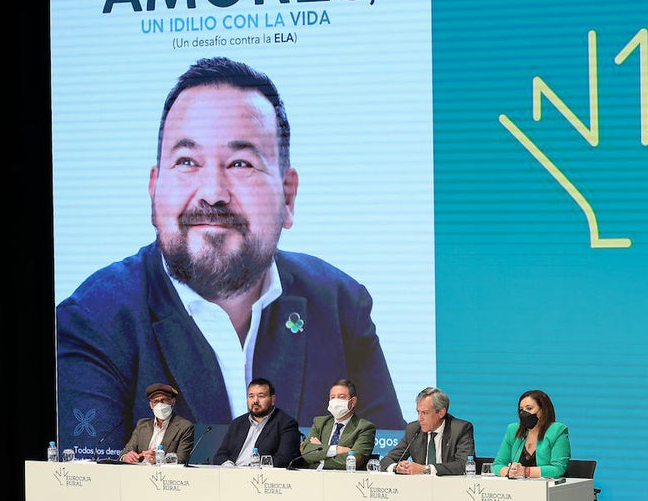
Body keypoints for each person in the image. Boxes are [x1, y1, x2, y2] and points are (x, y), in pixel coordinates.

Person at [56, 56, 405, 454]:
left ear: (288, 197)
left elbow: (384, 458)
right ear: (154, 192)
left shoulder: (340, 303)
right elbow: (93, 486)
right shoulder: (92, 321)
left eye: (241, 163)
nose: (212, 192)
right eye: (187, 161)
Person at [381, 387, 475, 475]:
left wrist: (425, 469)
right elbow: (387, 460)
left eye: (425, 413)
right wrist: (397, 467)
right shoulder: (413, 429)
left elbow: (464, 465)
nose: (419, 419)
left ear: (441, 412)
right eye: (418, 412)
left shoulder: (460, 429)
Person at [212, 377, 300, 467]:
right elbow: (221, 454)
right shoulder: (237, 423)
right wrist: (228, 465)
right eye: (251, 396)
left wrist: (253, 467)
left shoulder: (286, 423)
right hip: (232, 473)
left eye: (261, 396)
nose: (255, 401)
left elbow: (285, 458)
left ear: (272, 400)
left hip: (261, 477)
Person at [298, 379, 377, 470]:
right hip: (315, 477)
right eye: (332, 397)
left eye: (341, 397)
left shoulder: (365, 427)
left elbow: (355, 460)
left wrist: (320, 453)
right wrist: (337, 449)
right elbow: (306, 452)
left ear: (353, 401)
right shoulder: (320, 422)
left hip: (344, 480)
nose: (336, 401)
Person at [492, 389, 571, 479]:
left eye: (529, 408)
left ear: (543, 410)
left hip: (549, 489)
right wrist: (509, 471)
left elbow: (558, 469)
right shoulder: (513, 430)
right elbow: (497, 465)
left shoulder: (557, 430)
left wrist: (525, 471)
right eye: (521, 409)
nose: (523, 413)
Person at [119, 382, 195, 464]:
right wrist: (126, 457)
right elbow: (125, 452)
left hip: (167, 475)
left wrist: (160, 459)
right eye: (155, 401)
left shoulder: (184, 427)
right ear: (151, 405)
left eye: (164, 400)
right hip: (140, 473)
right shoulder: (142, 425)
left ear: (172, 401)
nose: (160, 405)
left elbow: (182, 459)